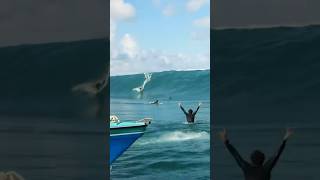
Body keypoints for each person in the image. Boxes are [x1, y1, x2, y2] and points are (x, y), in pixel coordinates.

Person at [218, 128, 293, 180]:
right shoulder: (266, 168)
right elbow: (277, 154)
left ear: (251, 160)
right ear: (263, 160)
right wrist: (284, 140)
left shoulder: (246, 168)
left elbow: (235, 155)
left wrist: (226, 142)